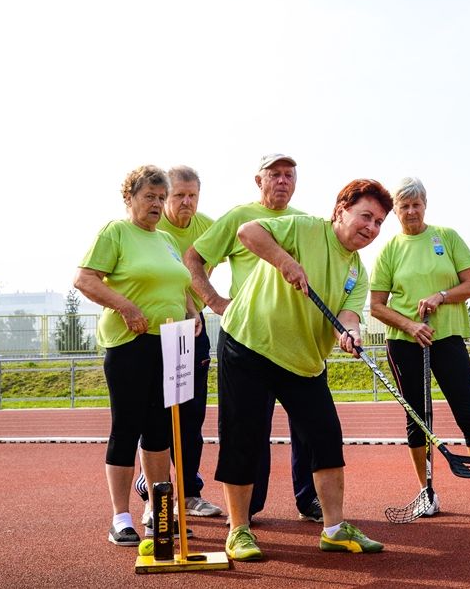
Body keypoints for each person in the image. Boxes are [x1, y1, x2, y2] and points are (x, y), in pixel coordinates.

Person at [215, 178, 393, 561]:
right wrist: (285, 260)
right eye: (366, 216)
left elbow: (347, 314)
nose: (371, 228)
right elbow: (248, 232)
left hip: (304, 361)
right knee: (243, 437)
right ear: (340, 210)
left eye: (379, 222)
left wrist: (350, 332)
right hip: (249, 343)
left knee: (326, 436)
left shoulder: (358, 272)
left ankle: (333, 529)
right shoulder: (304, 227)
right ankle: (239, 530)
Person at [370, 177, 470, 518]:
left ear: (425, 205)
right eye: (404, 206)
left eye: (417, 204)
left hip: (447, 339)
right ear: (396, 211)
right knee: (417, 420)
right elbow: (376, 305)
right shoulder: (389, 250)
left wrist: (441, 296)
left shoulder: (446, 237)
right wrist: (410, 324)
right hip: (405, 343)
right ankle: (426, 492)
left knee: (469, 414)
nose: (411, 211)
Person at [184, 153, 320, 524]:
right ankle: (246, 509)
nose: (281, 181)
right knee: (247, 429)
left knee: (309, 428)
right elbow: (193, 258)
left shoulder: (306, 222)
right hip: (247, 341)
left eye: (288, 174)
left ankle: (310, 500)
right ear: (258, 181)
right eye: (273, 174)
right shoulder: (239, 217)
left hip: (296, 341)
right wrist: (214, 301)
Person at [74, 165, 201, 546]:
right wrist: (127, 307)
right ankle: (120, 517)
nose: (158, 205)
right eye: (150, 197)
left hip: (170, 343)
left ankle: (157, 512)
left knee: (161, 429)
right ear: (129, 198)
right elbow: (85, 279)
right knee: (127, 427)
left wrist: (193, 313)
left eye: (162, 198)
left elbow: (178, 283)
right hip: (130, 343)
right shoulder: (115, 232)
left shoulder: (166, 240)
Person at [132, 166, 223, 523]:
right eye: (178, 195)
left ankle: (189, 492)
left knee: (191, 415)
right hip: (155, 331)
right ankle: (152, 493)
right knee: (155, 415)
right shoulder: (153, 229)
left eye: (193, 196)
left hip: (194, 329)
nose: (186, 202)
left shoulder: (210, 228)